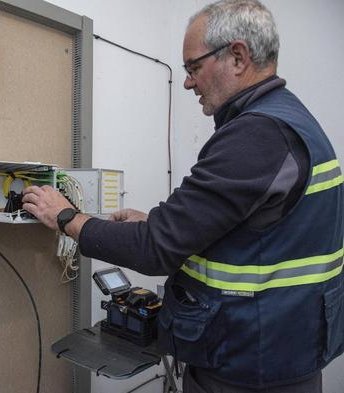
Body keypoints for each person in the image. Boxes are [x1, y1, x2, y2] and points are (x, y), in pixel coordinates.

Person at [22, 0, 344, 392]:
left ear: (238, 56)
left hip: (248, 365)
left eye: (193, 67)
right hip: (279, 350)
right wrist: (156, 223)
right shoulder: (291, 119)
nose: (189, 82)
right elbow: (257, 233)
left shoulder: (256, 135)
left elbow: (153, 251)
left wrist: (66, 217)